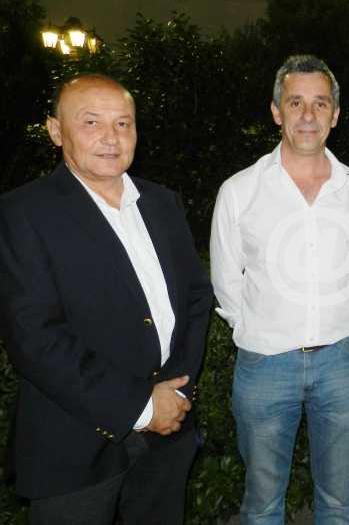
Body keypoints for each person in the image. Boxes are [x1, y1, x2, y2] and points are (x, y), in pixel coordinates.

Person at [0, 74, 213, 524]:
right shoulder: (22, 214)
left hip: (169, 431)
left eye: (123, 123)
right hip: (75, 441)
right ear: (56, 131)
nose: (111, 138)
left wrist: (178, 388)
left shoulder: (162, 203)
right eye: (91, 122)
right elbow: (33, 338)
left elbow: (195, 298)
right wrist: (141, 407)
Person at [210, 55, 349, 524]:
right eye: (295, 102)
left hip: (341, 361)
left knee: (339, 499)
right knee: (263, 502)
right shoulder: (239, 191)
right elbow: (226, 279)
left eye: (320, 103)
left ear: (335, 115)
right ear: (276, 111)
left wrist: (338, 317)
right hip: (265, 364)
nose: (308, 115)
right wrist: (256, 329)